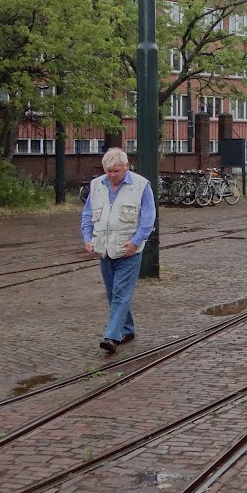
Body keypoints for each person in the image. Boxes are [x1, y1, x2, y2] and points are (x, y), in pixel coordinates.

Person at [81, 147, 156, 354]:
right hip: (104, 249)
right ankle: (128, 329)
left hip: (129, 251)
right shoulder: (96, 185)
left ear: (126, 167)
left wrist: (136, 241)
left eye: (116, 171)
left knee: (121, 293)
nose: (112, 175)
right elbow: (87, 214)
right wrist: (88, 238)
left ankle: (112, 337)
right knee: (112, 293)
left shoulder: (141, 186)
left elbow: (148, 217)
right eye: (109, 171)